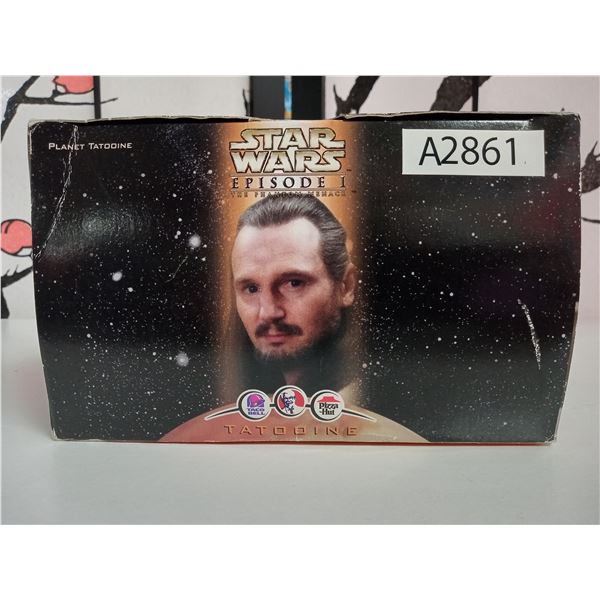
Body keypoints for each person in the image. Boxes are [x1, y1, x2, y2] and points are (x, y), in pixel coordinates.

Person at [161, 193, 426, 443]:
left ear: (345, 286)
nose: (268, 311)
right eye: (251, 288)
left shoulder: (393, 411)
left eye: (294, 283)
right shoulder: (236, 404)